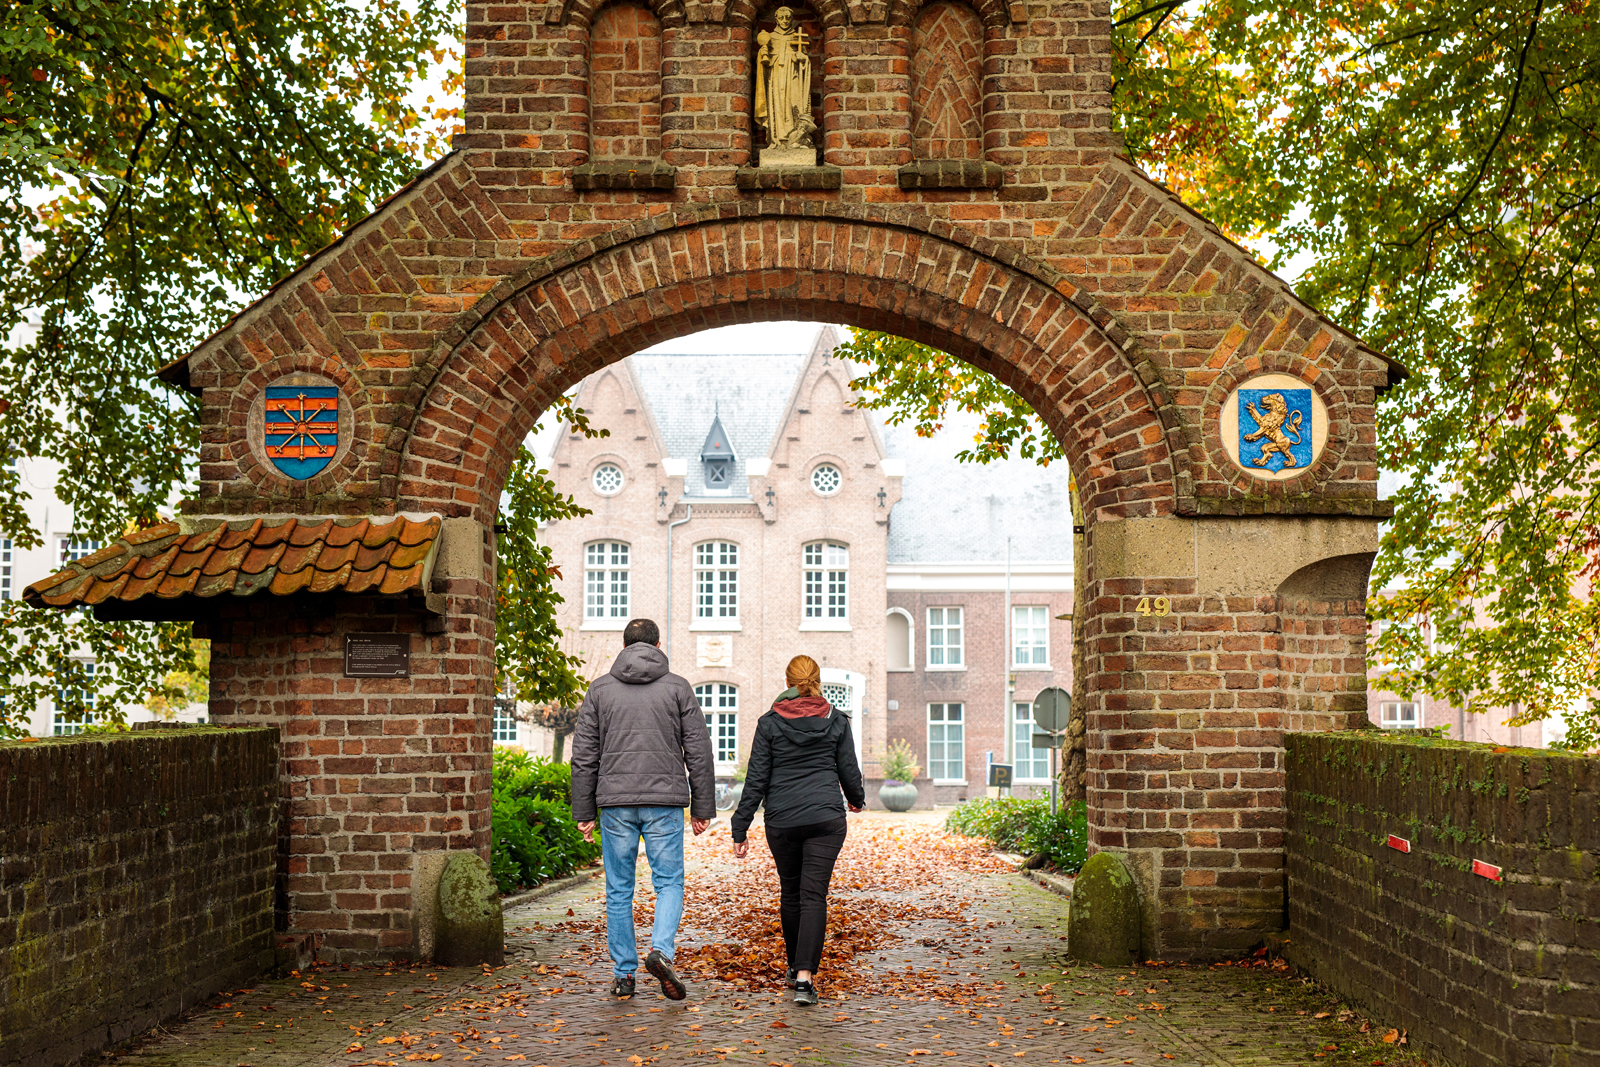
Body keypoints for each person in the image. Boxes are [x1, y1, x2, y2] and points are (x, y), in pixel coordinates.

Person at [571, 618, 716, 1001]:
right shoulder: (678, 688)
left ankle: (624, 975)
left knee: (619, 889)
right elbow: (698, 751)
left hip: (615, 803)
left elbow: (584, 756)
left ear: (625, 645)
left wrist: (584, 810)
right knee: (668, 882)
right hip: (663, 802)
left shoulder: (600, 690)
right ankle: (661, 952)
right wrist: (702, 806)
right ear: (656, 644)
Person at [730, 655, 866, 1006]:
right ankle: (804, 979)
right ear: (817, 680)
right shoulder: (836, 720)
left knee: (791, 893)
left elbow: (756, 779)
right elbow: (848, 768)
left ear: (788, 680)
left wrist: (739, 826)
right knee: (813, 895)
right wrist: (856, 799)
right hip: (825, 819)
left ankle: (794, 967)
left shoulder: (770, 722)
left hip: (783, 819)